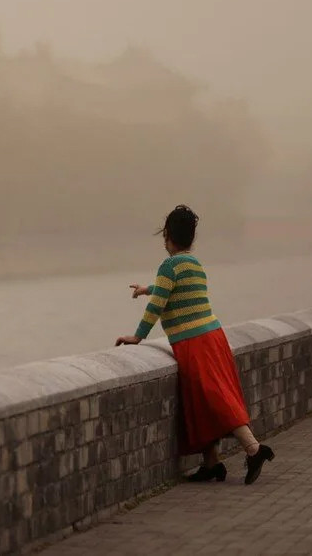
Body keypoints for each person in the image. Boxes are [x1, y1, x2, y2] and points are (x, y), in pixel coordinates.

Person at [115, 205, 274, 485]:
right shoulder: (194, 264)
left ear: (168, 236)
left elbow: (158, 305)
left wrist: (138, 336)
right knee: (201, 401)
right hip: (212, 336)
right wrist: (147, 288)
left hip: (194, 341)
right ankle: (211, 464)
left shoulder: (169, 265)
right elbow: (171, 288)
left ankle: (254, 449)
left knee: (215, 397)